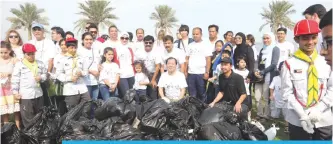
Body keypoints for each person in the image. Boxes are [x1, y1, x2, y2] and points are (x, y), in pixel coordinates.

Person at [281, 19, 332, 140]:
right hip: (298, 121)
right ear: (296, 40)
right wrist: (302, 115)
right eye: (305, 38)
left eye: (314, 37)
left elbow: (331, 88)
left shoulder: (326, 61)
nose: (310, 42)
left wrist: (318, 110)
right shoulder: (289, 64)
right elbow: (287, 93)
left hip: (324, 119)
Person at [11, 43, 47, 128]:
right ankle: (29, 136)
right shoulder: (19, 65)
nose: (31, 56)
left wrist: (41, 77)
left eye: (33, 54)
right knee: (28, 118)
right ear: (24, 54)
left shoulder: (40, 63)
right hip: (26, 95)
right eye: (28, 54)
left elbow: (45, 74)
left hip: (38, 94)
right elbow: (15, 79)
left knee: (40, 115)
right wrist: (15, 92)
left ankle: (40, 135)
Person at [56, 38, 90, 110]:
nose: (74, 50)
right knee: (72, 111)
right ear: (67, 48)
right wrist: (70, 78)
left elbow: (86, 71)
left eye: (75, 48)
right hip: (70, 90)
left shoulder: (81, 58)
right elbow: (58, 75)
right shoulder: (62, 60)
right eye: (71, 48)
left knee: (87, 106)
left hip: (82, 88)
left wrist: (82, 73)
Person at [254, 32, 280, 123]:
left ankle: (266, 115)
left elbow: (274, 64)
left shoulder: (275, 49)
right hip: (259, 77)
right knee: (257, 97)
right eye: (264, 38)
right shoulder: (262, 49)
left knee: (265, 97)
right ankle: (259, 113)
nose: (265, 40)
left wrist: (263, 72)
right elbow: (258, 62)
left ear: (272, 39)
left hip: (268, 76)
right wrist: (257, 71)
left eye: (268, 38)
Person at [186, 27, 212, 102]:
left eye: (197, 34)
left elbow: (208, 59)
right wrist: (185, 71)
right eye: (193, 34)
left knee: (202, 94)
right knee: (192, 94)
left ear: (201, 34)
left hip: (201, 73)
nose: (195, 35)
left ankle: (203, 110)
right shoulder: (190, 45)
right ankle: (193, 110)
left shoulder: (206, 44)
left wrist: (207, 72)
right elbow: (187, 59)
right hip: (191, 73)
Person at [135, 35, 161, 100]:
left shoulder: (156, 53)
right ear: (143, 42)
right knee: (142, 95)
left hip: (153, 74)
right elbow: (136, 64)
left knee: (153, 94)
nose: (148, 44)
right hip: (142, 74)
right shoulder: (139, 52)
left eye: (150, 42)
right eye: (146, 42)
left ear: (153, 43)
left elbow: (158, 66)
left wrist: (153, 80)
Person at [0, 41, 20, 129]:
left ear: (10, 51)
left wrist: (9, 74)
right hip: (2, 89)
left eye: (5, 52)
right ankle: (6, 130)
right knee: (4, 111)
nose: (3, 54)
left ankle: (18, 129)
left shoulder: (14, 60)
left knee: (16, 110)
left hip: (12, 87)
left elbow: (19, 72)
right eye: (1, 52)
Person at [77, 32, 100, 100]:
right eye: (86, 39)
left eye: (90, 39)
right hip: (85, 82)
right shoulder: (79, 51)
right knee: (87, 103)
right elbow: (78, 67)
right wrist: (91, 71)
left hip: (95, 81)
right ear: (83, 40)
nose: (89, 41)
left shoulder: (95, 51)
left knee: (94, 102)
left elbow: (98, 63)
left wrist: (99, 68)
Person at [112, 32, 135, 98]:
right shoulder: (115, 49)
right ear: (119, 38)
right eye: (122, 38)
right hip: (121, 75)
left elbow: (132, 61)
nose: (124, 40)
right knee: (126, 95)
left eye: (126, 38)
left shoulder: (130, 49)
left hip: (131, 74)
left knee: (132, 94)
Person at [269, 62, 288, 132]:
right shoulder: (276, 78)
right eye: (281, 69)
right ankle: (275, 123)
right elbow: (271, 87)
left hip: (286, 100)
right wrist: (271, 95)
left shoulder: (289, 79)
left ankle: (287, 126)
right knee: (275, 112)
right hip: (276, 98)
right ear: (279, 70)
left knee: (287, 114)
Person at [234, 56, 251, 121]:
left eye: (244, 62)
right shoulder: (235, 72)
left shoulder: (248, 72)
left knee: (248, 106)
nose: (243, 63)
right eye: (241, 62)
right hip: (238, 93)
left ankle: (248, 117)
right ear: (237, 63)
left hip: (246, 92)